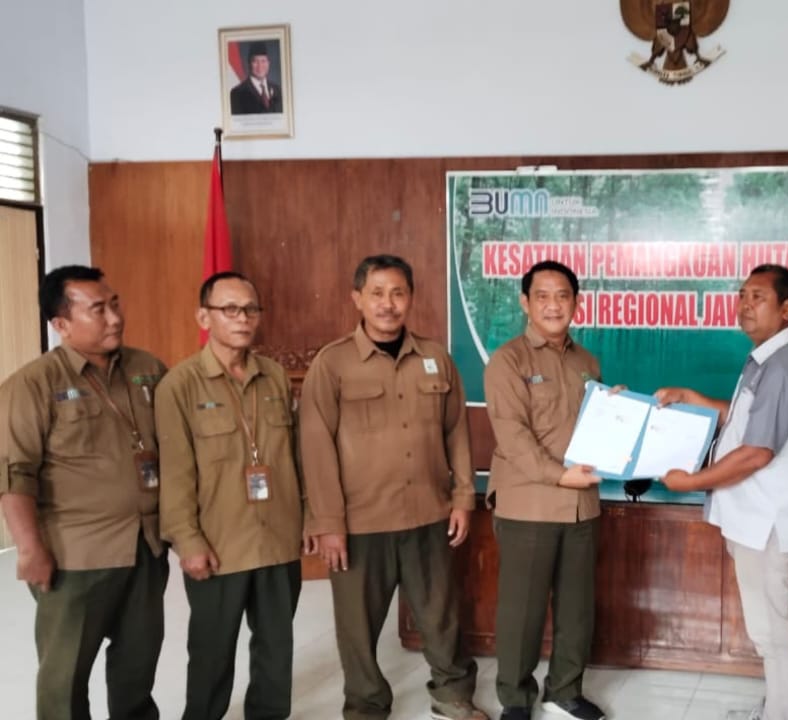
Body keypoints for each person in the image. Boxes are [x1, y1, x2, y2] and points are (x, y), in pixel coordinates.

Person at [300, 255, 486, 720]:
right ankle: (365, 705)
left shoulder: (435, 358)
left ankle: (452, 694)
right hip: (360, 521)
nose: (388, 303)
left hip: (429, 512)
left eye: (398, 293)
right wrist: (328, 523)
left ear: (411, 298)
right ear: (357, 298)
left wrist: (463, 497)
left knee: (441, 614)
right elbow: (316, 447)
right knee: (357, 625)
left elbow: (457, 433)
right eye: (377, 293)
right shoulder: (333, 362)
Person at [0, 265, 169, 720]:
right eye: (98, 309)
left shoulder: (148, 369)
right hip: (76, 556)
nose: (115, 318)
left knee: (138, 667)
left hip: (146, 547)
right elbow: (14, 474)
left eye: (114, 304)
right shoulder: (33, 385)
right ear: (61, 324)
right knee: (66, 678)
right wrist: (29, 549)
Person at [656, 264, 788, 720]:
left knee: (774, 631)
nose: (745, 305)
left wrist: (690, 482)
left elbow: (756, 453)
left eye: (758, 297)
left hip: (767, 524)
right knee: (766, 628)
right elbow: (748, 419)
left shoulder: (784, 365)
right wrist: (695, 399)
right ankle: (776, 708)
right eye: (743, 295)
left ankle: (782, 716)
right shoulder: (767, 358)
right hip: (753, 520)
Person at [155, 271, 310, 720]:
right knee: (211, 651)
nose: (242, 318)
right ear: (204, 317)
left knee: (276, 648)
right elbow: (176, 472)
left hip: (278, 538)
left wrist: (308, 517)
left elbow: (296, 457)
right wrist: (188, 540)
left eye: (250, 309)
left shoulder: (274, 376)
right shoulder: (180, 385)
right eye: (230, 309)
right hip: (220, 543)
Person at [483, 260, 606, 720]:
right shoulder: (508, 360)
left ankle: (564, 691)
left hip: (581, 505)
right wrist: (559, 475)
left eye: (563, 296)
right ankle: (515, 699)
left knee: (577, 608)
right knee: (522, 611)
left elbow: (593, 429)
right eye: (543, 296)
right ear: (525, 303)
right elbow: (513, 437)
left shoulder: (586, 362)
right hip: (529, 504)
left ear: (576, 302)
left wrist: (615, 410)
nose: (554, 305)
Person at [230, 41, 283, 114]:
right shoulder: (237, 93)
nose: (260, 66)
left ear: (268, 63)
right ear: (249, 64)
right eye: (255, 61)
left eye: (263, 61)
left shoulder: (277, 90)